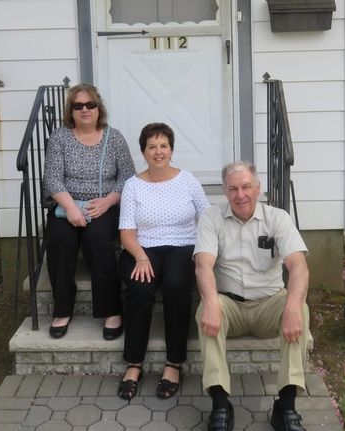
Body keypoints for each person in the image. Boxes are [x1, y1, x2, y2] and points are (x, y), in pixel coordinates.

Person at [194, 161, 311, 431]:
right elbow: (203, 265)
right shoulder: (211, 218)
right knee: (205, 309)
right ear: (224, 191)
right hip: (230, 306)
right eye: (233, 188)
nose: (240, 194)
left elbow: (299, 267)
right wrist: (211, 303)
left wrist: (292, 308)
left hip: (268, 304)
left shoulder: (277, 218)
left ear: (258, 188)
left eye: (246, 186)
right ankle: (221, 405)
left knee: (299, 308)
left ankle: (286, 406)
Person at [116, 123, 210, 401]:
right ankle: (134, 364)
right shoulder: (132, 185)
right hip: (142, 247)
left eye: (164, 146)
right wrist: (141, 256)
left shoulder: (188, 179)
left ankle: (174, 363)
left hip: (183, 245)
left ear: (171, 149)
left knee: (176, 285)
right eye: (152, 146)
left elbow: (207, 218)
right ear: (143, 152)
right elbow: (126, 232)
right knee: (139, 286)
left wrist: (208, 251)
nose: (158, 152)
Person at [43, 83, 135, 340]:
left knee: (98, 241)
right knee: (60, 240)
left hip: (103, 205)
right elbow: (52, 179)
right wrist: (71, 208)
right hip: (66, 206)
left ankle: (111, 310)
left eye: (90, 105)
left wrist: (107, 202)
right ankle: (62, 309)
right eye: (78, 106)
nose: (85, 110)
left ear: (99, 108)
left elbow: (127, 177)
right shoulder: (60, 138)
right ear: (70, 111)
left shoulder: (113, 137)